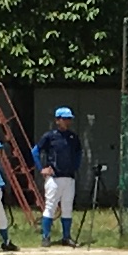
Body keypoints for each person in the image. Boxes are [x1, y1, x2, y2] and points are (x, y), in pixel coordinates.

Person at [34, 105, 84, 245]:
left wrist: (75, 166)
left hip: (69, 177)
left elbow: (79, 153)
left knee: (67, 207)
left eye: (69, 119)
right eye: (65, 119)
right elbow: (35, 151)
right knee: (50, 206)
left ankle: (66, 237)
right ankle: (46, 236)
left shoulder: (73, 137)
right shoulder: (50, 136)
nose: (68, 121)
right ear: (57, 120)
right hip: (54, 178)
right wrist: (41, 168)